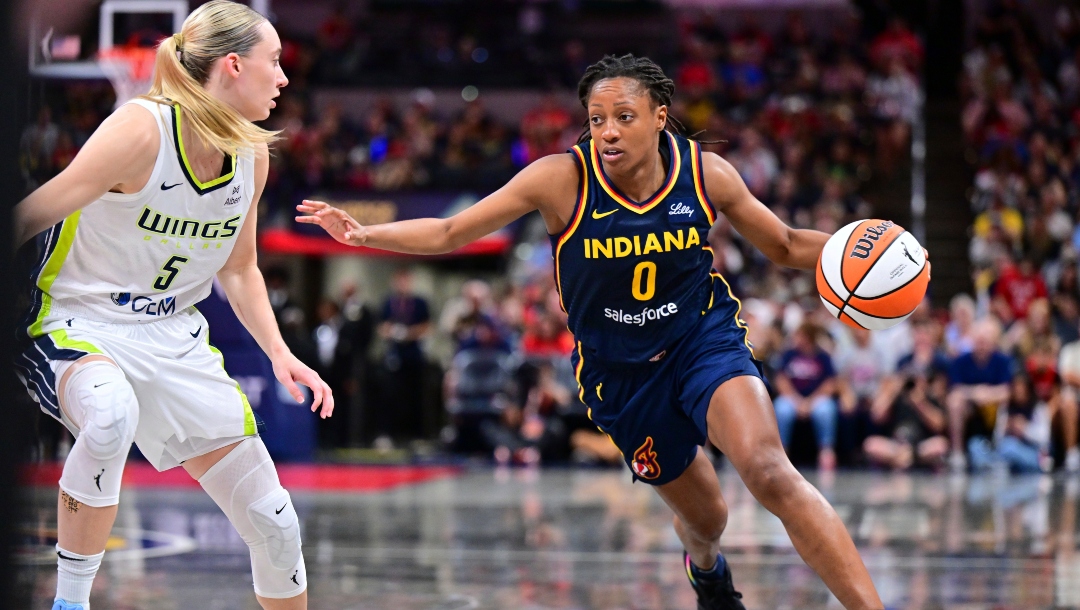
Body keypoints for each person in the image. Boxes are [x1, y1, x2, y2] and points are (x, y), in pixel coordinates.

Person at [299, 54, 884, 609]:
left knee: (767, 469)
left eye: (624, 118)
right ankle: (706, 567)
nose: (607, 132)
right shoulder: (560, 180)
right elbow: (453, 230)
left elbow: (783, 244)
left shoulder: (705, 174)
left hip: (700, 339)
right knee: (707, 520)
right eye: (596, 120)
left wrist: (876, 254)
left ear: (659, 117)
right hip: (620, 375)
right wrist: (365, 235)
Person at [12, 3, 332, 609]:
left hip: (172, 336)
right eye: (276, 62)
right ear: (234, 65)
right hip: (78, 322)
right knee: (108, 416)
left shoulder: (251, 156)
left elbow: (239, 269)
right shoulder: (140, 130)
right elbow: (30, 213)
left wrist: (281, 355)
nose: (284, 78)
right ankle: (70, 603)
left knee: (276, 523)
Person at [773, 323, 840, 470]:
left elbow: (830, 383)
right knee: (781, 409)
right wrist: (797, 401)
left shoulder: (823, 356)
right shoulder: (789, 354)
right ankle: (782, 450)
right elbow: (781, 379)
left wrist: (810, 402)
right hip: (792, 397)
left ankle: (826, 450)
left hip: (816, 398)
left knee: (825, 411)